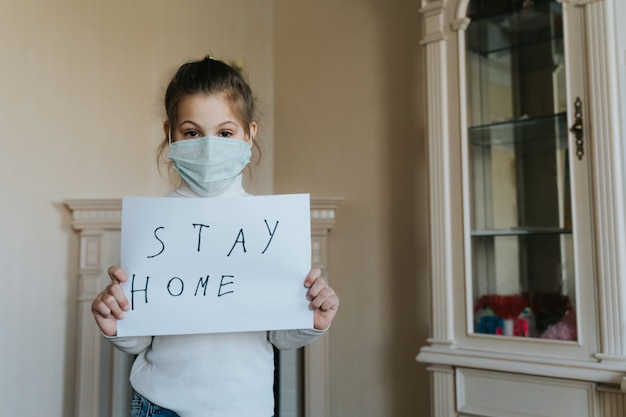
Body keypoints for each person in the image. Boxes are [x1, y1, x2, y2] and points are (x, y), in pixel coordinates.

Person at [91, 56, 340, 417]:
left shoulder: (269, 227)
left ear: (250, 134)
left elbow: (278, 335)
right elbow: (140, 338)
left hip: (248, 408)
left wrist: (313, 321)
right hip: (159, 406)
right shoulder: (153, 227)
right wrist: (115, 325)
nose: (209, 147)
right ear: (169, 134)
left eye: (225, 133)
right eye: (192, 133)